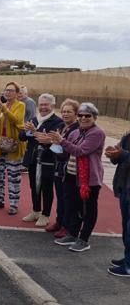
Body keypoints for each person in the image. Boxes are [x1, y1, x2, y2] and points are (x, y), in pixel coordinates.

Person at [49, 103, 105, 252]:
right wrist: (54, 143)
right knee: (73, 206)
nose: (83, 118)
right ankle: (73, 234)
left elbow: (80, 151)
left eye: (88, 116)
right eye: (80, 115)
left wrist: (61, 141)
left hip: (89, 179)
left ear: (95, 117)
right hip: (71, 175)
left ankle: (84, 239)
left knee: (88, 210)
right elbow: (66, 152)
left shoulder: (97, 133)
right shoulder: (75, 133)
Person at [19, 94, 63, 227]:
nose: (43, 107)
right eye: (41, 104)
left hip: (48, 160)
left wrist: (34, 131)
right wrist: (27, 131)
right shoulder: (34, 119)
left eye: (46, 105)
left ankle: (46, 214)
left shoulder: (58, 122)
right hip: (33, 159)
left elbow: (49, 139)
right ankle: (36, 210)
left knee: (46, 188)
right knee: (34, 186)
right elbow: (22, 137)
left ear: (52, 105)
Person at [0, 82, 26, 215]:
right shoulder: (1, 106)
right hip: (0, 146)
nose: (7, 92)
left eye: (10, 90)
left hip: (13, 147)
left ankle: (14, 205)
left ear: (16, 93)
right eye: (6, 90)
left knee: (13, 177)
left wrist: (3, 109)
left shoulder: (20, 106)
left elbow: (16, 120)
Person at [46, 99, 80, 238]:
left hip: (69, 167)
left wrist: (56, 144)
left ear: (76, 114)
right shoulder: (60, 126)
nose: (65, 114)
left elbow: (68, 148)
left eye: (69, 112)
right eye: (64, 111)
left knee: (68, 199)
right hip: (58, 165)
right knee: (60, 196)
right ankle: (59, 222)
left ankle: (67, 226)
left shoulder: (76, 129)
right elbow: (55, 142)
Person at [105, 130, 130, 276]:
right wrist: (113, 153)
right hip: (124, 188)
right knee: (126, 228)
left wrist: (122, 155)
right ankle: (128, 258)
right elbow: (118, 157)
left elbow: (124, 156)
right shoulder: (127, 136)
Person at [18, 86, 37, 172]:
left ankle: (25, 165)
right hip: (21, 126)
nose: (19, 95)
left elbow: (31, 116)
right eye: (18, 93)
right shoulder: (19, 102)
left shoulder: (29, 102)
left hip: (27, 127)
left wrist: (27, 127)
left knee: (27, 146)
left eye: (21, 93)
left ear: (26, 94)